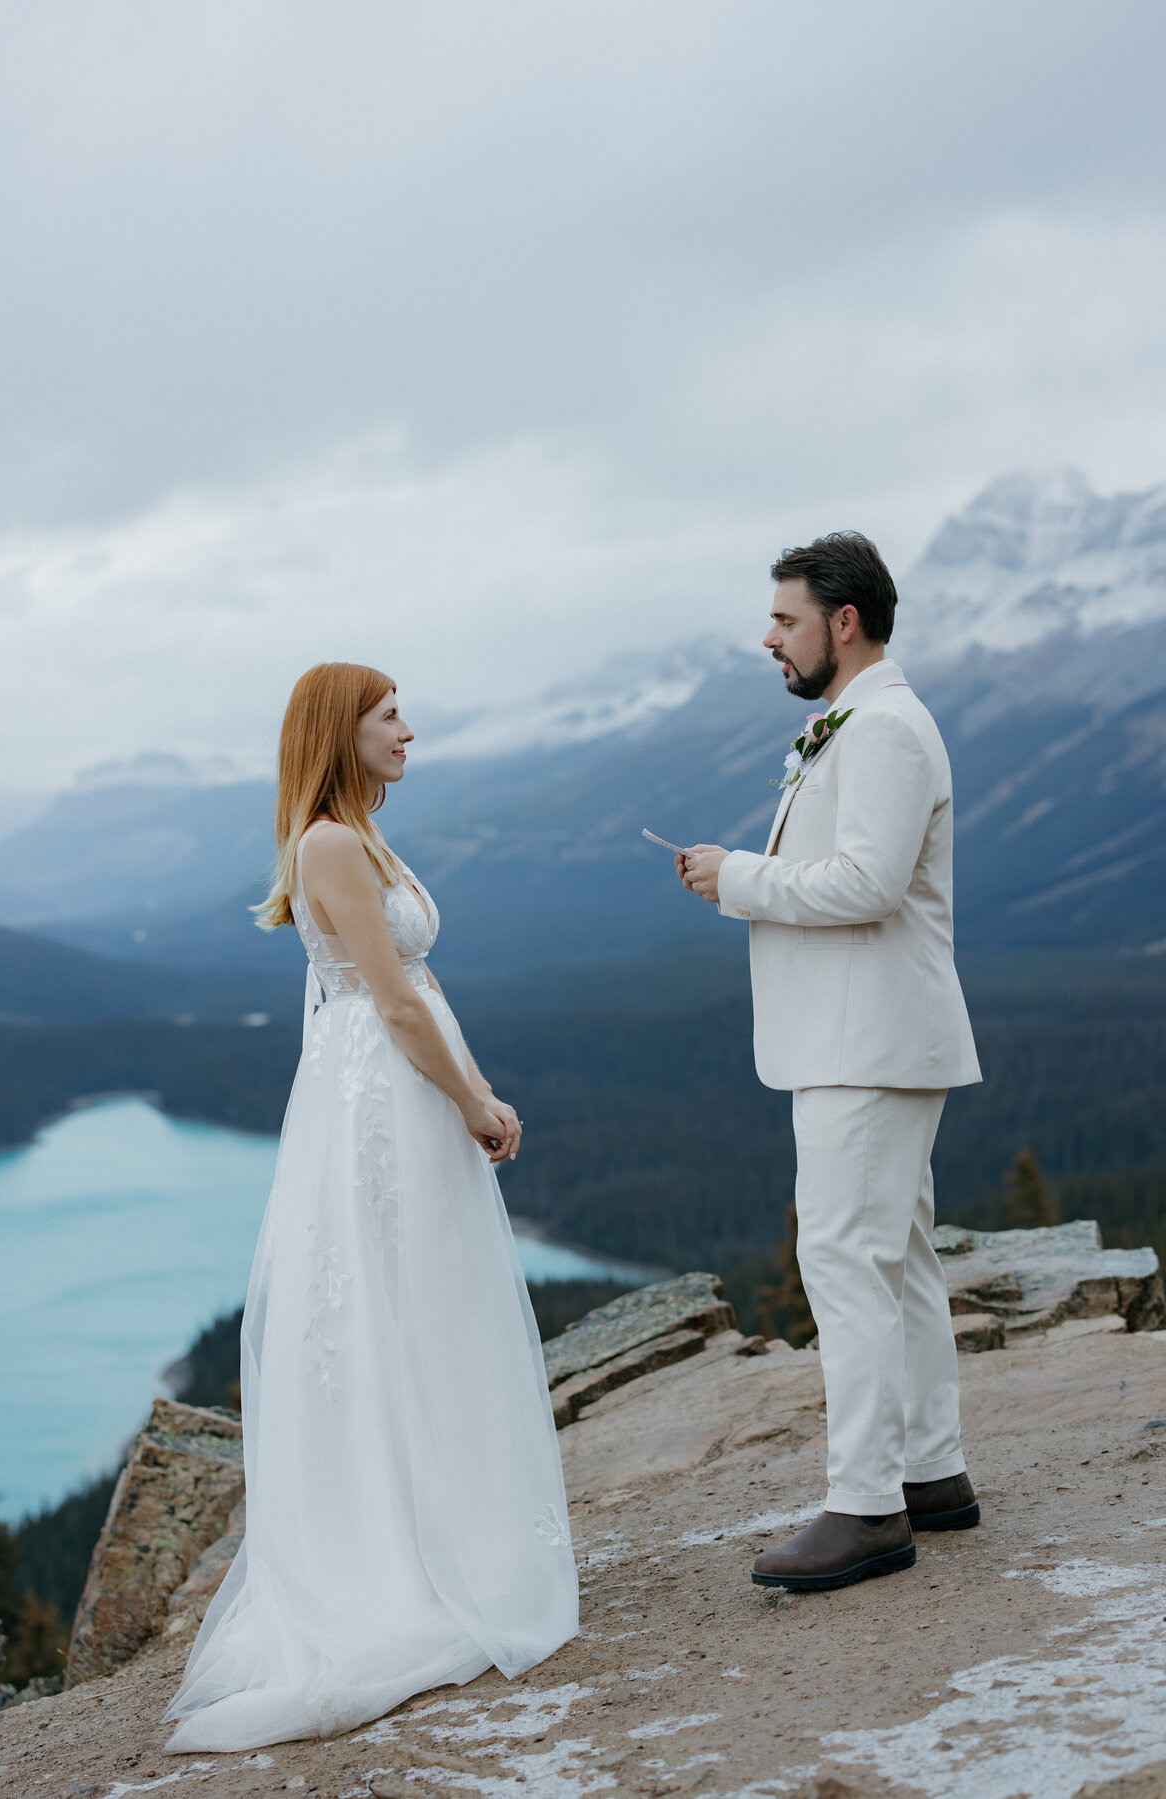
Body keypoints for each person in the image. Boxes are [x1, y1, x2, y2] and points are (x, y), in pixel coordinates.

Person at [164, 663, 577, 1752]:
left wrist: (462, 1091)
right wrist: (475, 1095)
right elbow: (391, 998)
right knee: (398, 1307)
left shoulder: (361, 836)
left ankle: (454, 1535)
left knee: (431, 1304)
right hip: (385, 1098)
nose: (409, 729)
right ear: (338, 732)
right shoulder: (331, 845)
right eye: (389, 714)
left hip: (402, 1090)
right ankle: (406, 1562)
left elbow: (407, 993)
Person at [677, 533, 982, 1593]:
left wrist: (740, 876)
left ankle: (865, 1505)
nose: (770, 637)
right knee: (895, 1257)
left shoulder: (886, 727)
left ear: (842, 623)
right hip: (870, 1037)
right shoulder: (857, 722)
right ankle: (932, 1473)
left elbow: (868, 884)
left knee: (846, 1262)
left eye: (785, 619)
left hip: (869, 1042)